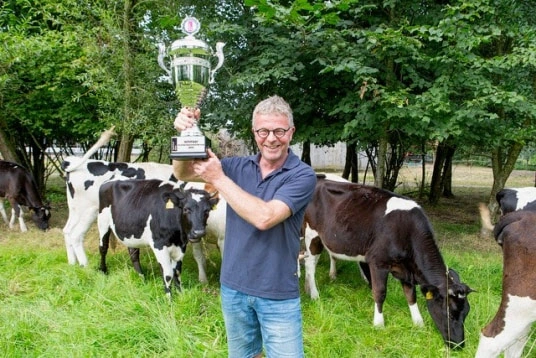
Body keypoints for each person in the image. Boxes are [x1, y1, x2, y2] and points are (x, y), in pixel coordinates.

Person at [173, 95, 316, 358]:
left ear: (291, 132)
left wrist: (218, 178)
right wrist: (186, 134)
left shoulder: (302, 175)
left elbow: (265, 217)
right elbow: (183, 173)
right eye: (263, 131)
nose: (271, 138)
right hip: (234, 289)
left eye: (279, 131)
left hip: (277, 294)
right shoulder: (236, 167)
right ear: (254, 132)